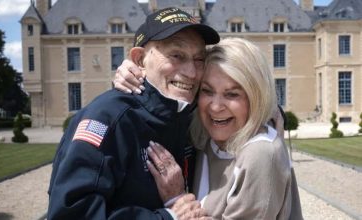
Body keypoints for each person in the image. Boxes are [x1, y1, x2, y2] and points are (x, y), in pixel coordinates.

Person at [47, 7, 220, 220]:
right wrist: (168, 217)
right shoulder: (109, 118)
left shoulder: (189, 115)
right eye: (176, 55)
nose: (192, 73)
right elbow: (71, 214)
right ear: (139, 60)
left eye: (199, 59)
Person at [115, 38, 303, 219]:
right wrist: (135, 75)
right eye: (207, 90)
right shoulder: (204, 135)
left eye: (232, 94)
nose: (215, 107)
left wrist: (178, 200)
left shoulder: (260, 154)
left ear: (256, 97)